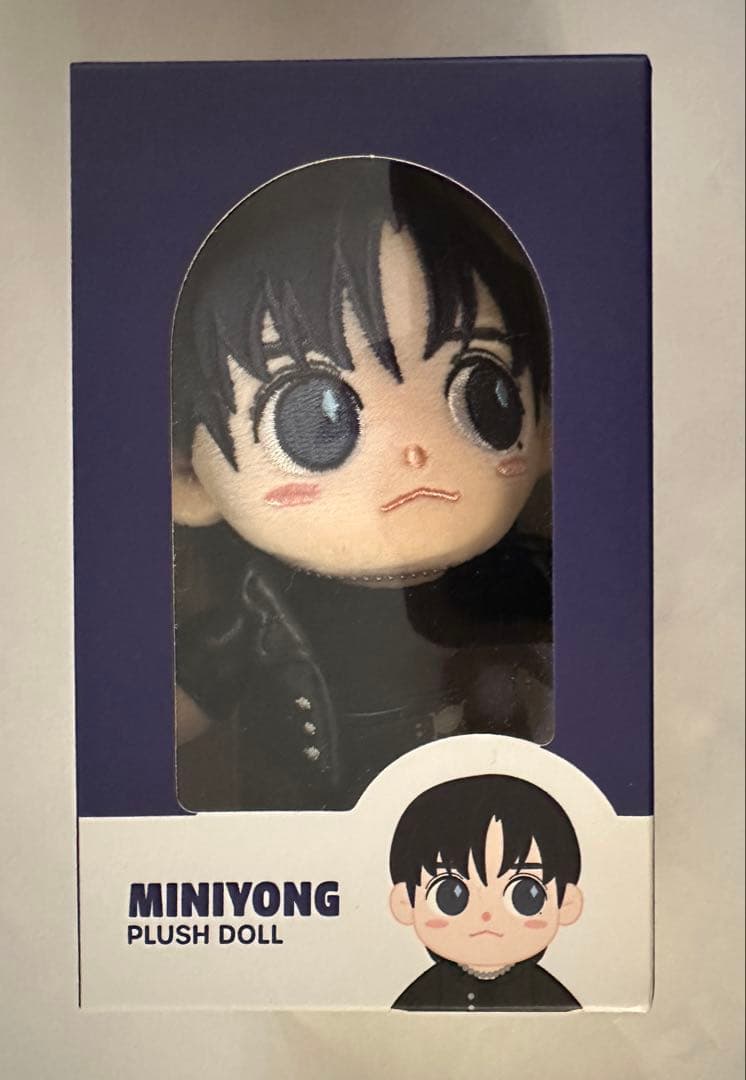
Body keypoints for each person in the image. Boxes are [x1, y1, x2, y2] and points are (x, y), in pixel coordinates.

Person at [172, 158, 553, 810]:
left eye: (483, 395)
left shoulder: (529, 582)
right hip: (314, 818)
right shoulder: (260, 609)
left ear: (546, 433)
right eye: (313, 422)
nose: (413, 451)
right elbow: (185, 696)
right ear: (188, 479)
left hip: (491, 809)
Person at [389, 773, 583, 1011]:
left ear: (567, 904)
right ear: (404, 903)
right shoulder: (419, 998)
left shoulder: (552, 998)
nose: (486, 915)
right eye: (450, 896)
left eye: (525, 895)